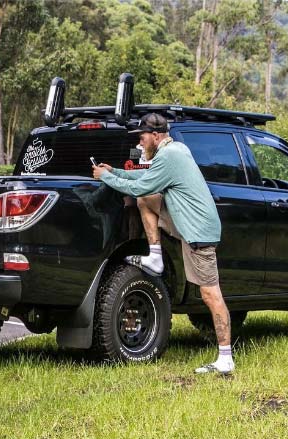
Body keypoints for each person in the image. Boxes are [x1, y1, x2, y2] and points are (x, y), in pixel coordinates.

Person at [92, 113, 234, 374]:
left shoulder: (169, 156)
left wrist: (105, 177)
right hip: (184, 218)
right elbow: (146, 181)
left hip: (198, 231)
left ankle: (225, 358)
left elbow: (139, 186)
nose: (140, 141)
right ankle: (155, 256)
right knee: (147, 199)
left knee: (210, 295)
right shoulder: (174, 150)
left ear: (156, 136)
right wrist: (115, 171)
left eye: (142, 136)